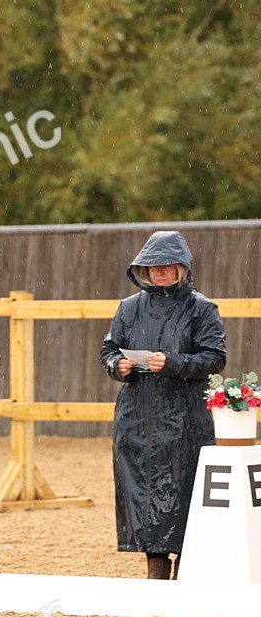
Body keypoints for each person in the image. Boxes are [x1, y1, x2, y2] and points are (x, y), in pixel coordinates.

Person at [100, 230, 226, 580]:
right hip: (136, 417)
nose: (159, 271)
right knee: (142, 488)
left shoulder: (201, 309)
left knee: (185, 488)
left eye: (166, 265)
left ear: (181, 268)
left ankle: (185, 563)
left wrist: (172, 363)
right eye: (152, 265)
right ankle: (155, 565)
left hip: (184, 417)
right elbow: (109, 349)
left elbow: (214, 358)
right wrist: (117, 365)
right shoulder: (128, 308)